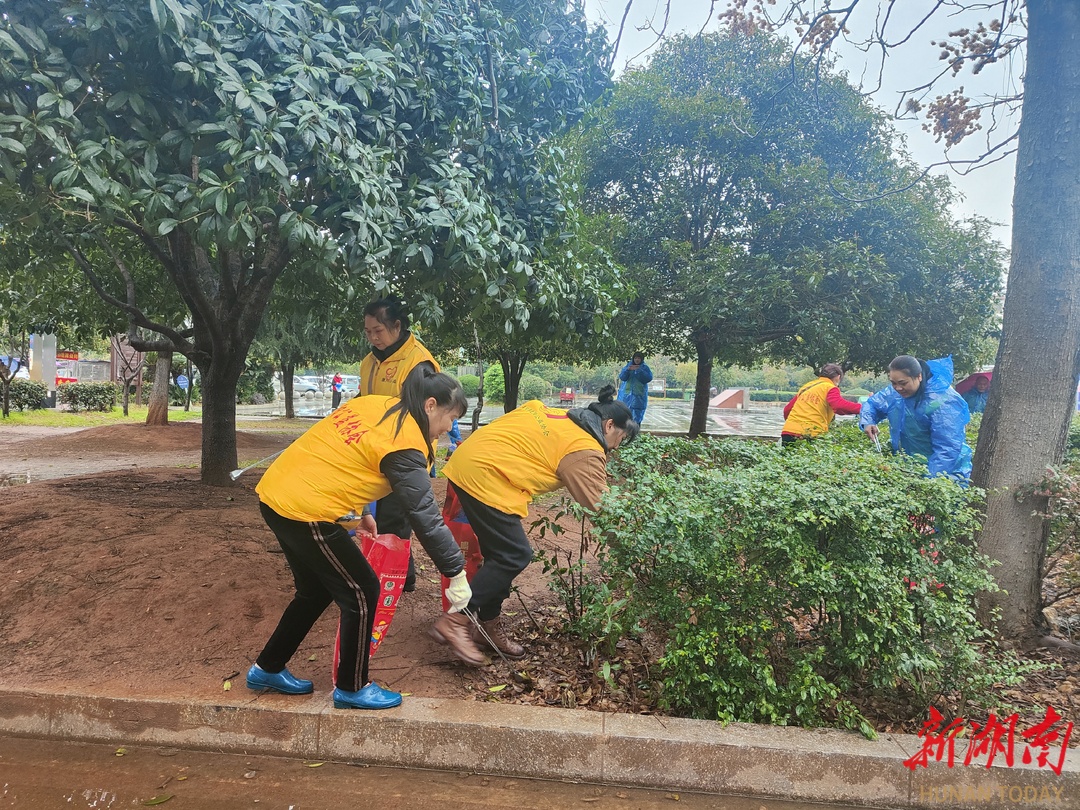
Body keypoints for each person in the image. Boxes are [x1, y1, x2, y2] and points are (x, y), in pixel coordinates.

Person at [248, 368, 486, 710]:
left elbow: (346, 455)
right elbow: (425, 515)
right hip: (305, 509)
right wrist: (456, 573)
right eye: (451, 417)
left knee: (315, 591)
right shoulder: (404, 443)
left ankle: (267, 668)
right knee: (363, 590)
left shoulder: (379, 405)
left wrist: (360, 512)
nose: (450, 427)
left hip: (279, 495)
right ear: (431, 405)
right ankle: (352, 687)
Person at [440, 386, 639, 661]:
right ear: (608, 425)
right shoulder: (584, 448)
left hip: (470, 461)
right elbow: (605, 508)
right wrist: (637, 542)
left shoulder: (560, 416)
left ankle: (487, 627)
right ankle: (456, 621)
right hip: (486, 476)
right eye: (620, 437)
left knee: (499, 556)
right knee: (515, 555)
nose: (616, 447)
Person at [359, 295, 440, 591]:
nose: (373, 337)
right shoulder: (369, 362)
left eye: (378, 331)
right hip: (373, 451)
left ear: (397, 325)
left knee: (395, 516)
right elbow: (364, 400)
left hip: (403, 453)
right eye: (368, 332)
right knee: (375, 513)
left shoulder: (418, 364)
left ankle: (398, 579)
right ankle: (393, 573)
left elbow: (423, 415)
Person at [859, 355, 972, 482]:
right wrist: (868, 422)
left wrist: (929, 481)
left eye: (903, 383)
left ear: (919, 376)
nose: (898, 388)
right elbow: (873, 404)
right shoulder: (895, 393)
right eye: (893, 383)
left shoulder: (942, 400)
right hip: (909, 467)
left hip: (946, 473)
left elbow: (947, 449)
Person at [781, 363, 862, 445]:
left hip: (788, 432)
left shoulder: (806, 387)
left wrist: (794, 425)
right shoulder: (830, 387)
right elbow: (839, 406)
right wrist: (864, 408)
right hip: (811, 434)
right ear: (838, 377)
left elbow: (787, 409)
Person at [617, 352, 653, 424]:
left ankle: (635, 432)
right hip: (626, 396)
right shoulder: (628, 366)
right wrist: (628, 370)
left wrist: (639, 370)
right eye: (635, 358)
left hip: (639, 396)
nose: (637, 360)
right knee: (625, 416)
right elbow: (622, 377)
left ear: (641, 359)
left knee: (637, 417)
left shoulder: (644, 368)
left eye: (639, 358)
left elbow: (648, 378)